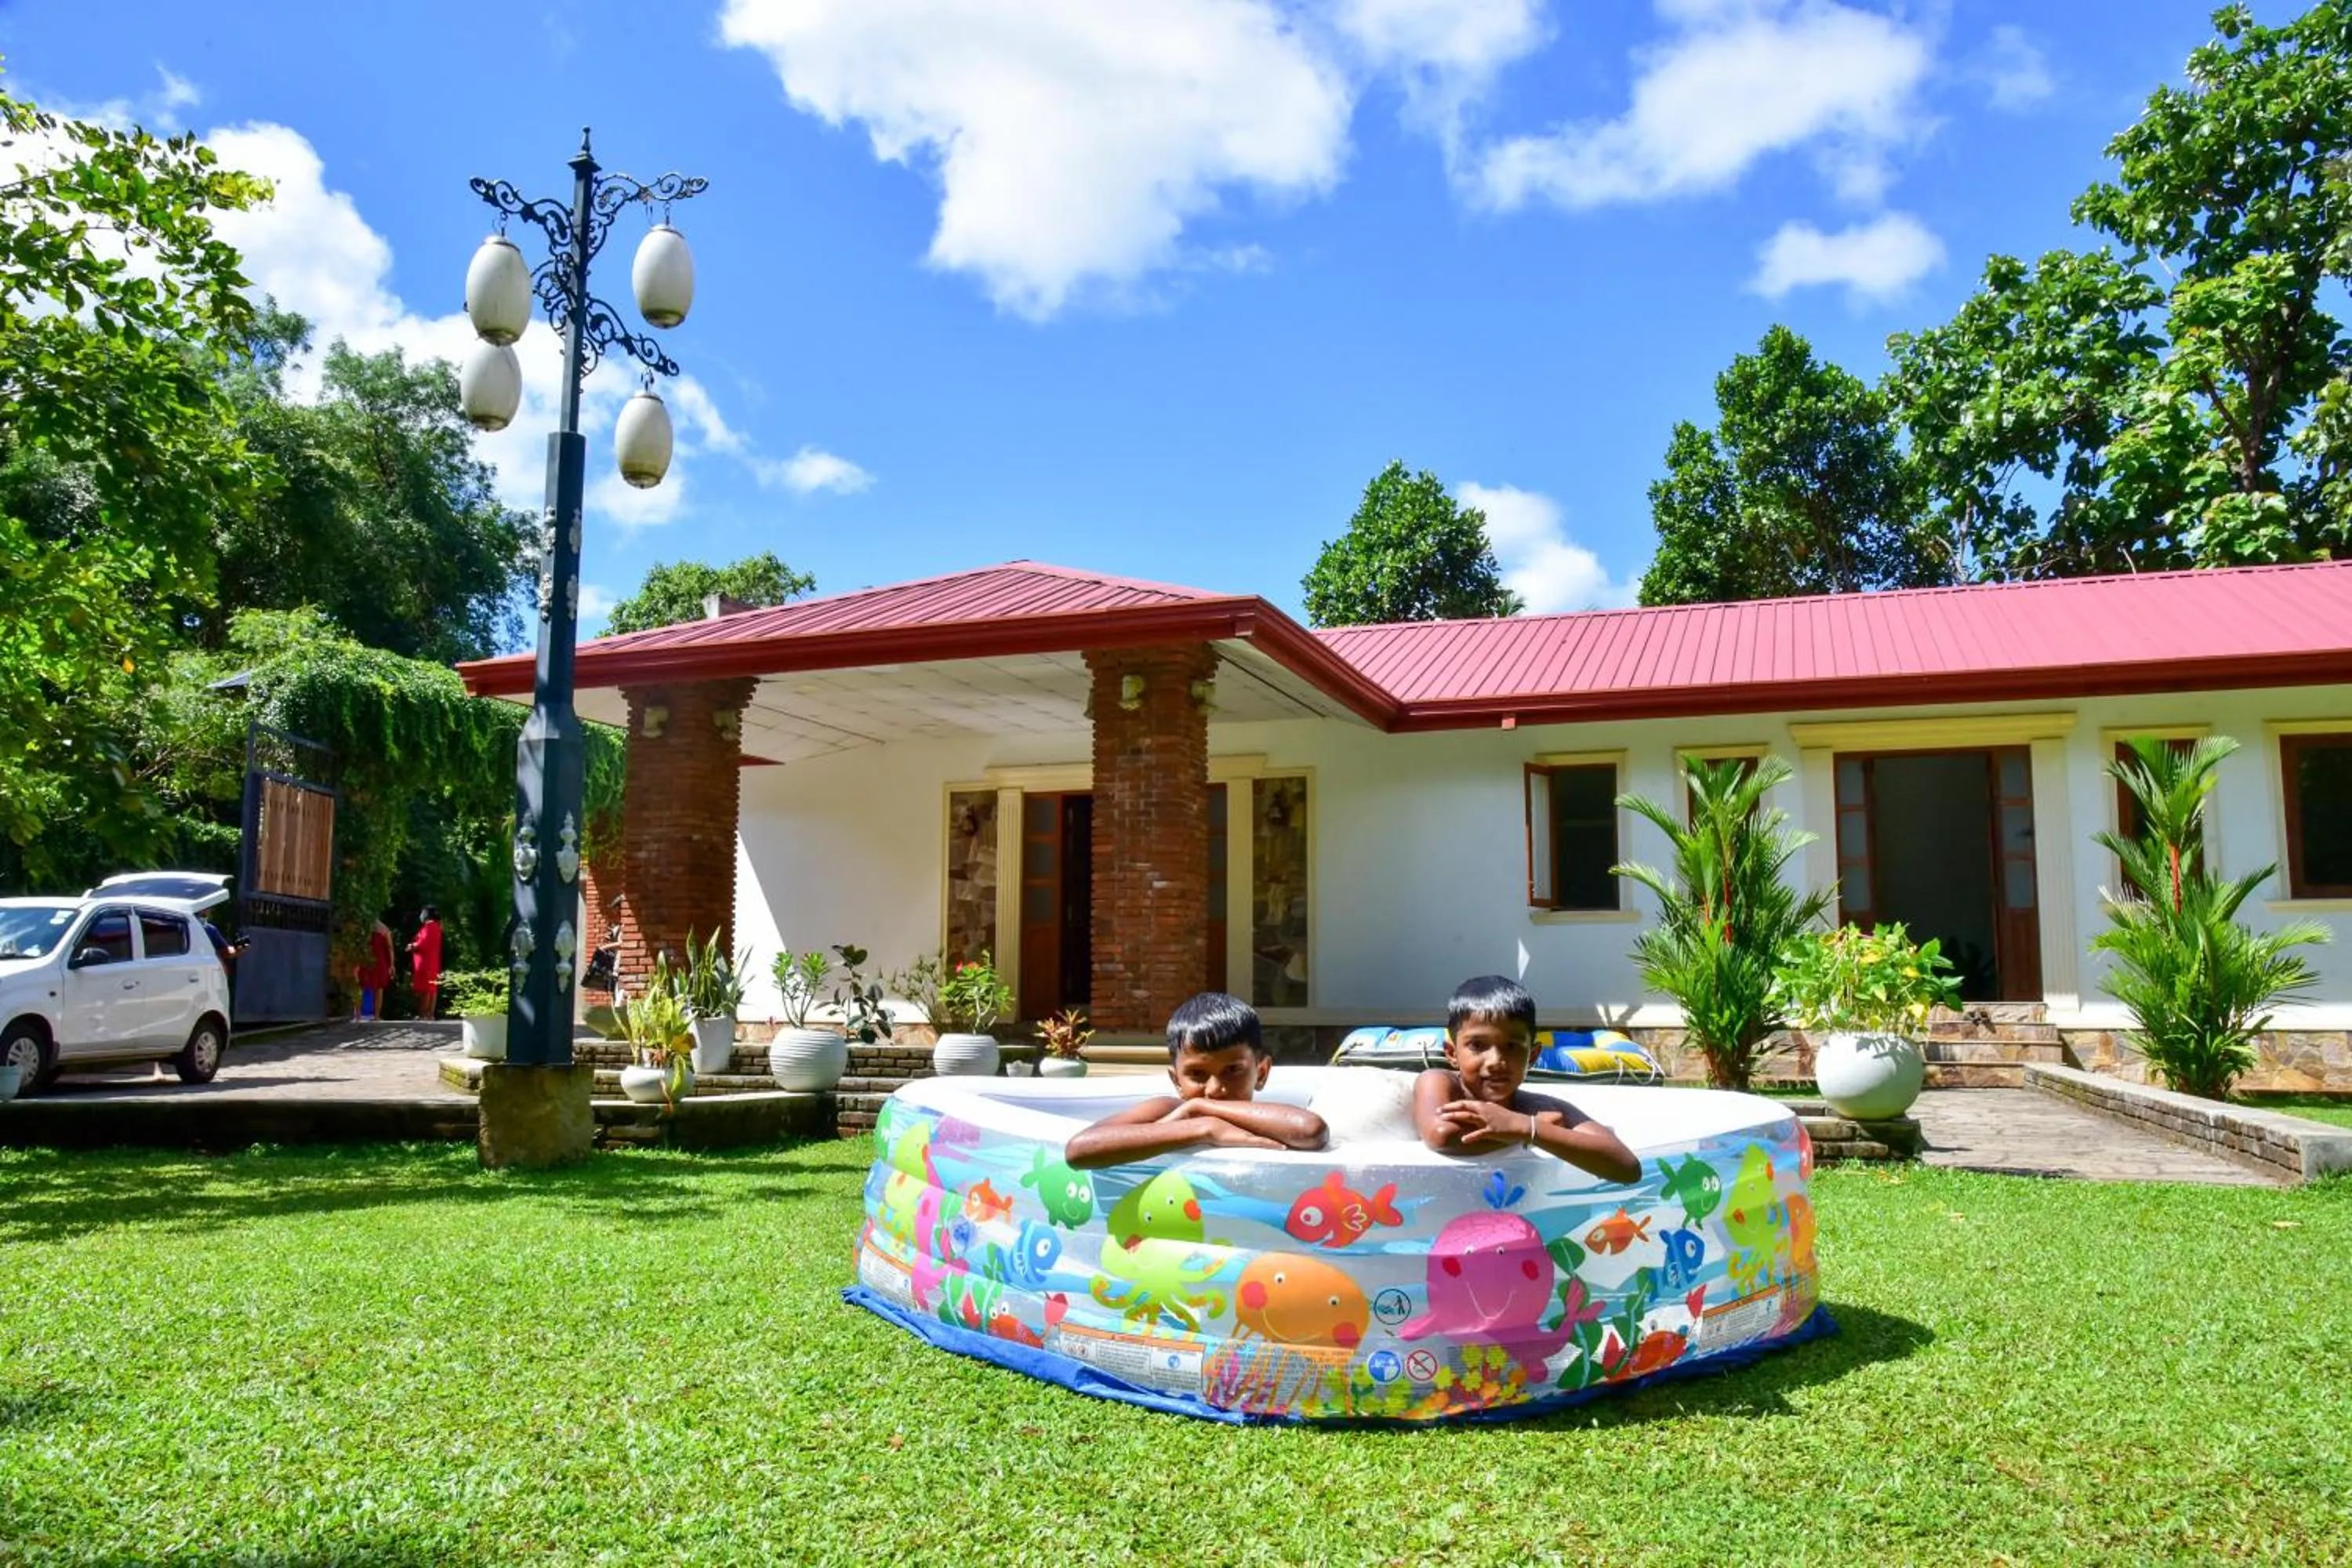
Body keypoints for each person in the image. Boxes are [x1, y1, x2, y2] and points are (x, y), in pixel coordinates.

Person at [1411, 975, 1639, 1184]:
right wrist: (1523, 1129)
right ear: (1452, 1053)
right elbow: (1441, 1135)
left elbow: (1627, 1168)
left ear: (1532, 1056)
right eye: (1477, 1045)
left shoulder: (1538, 1108)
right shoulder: (1440, 1081)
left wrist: (1529, 1129)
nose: (1495, 1060)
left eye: (1512, 1047)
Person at [1065, 992, 1328, 1170]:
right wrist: (1205, 1127)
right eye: (1197, 1075)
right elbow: (1079, 1150)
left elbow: (1311, 1130)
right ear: (1176, 1079)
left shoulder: (1266, 1120)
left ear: (1261, 1072)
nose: (1215, 1089)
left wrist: (1200, 1108)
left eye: (1232, 1070)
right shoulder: (1166, 1110)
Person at [354, 916, 395, 1021]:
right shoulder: (384, 929)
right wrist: (391, 965)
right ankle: (376, 1016)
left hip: (366, 960)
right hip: (380, 961)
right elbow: (390, 948)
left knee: (360, 987)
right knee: (379, 988)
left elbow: (359, 946)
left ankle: (358, 1016)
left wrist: (356, 963)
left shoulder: (363, 928)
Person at [408, 906, 444, 1020]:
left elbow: (423, 944)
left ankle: (424, 1015)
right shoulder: (437, 927)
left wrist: (412, 946)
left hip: (425, 963)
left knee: (426, 989)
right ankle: (430, 1014)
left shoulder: (428, 927)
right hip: (433, 962)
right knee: (432, 988)